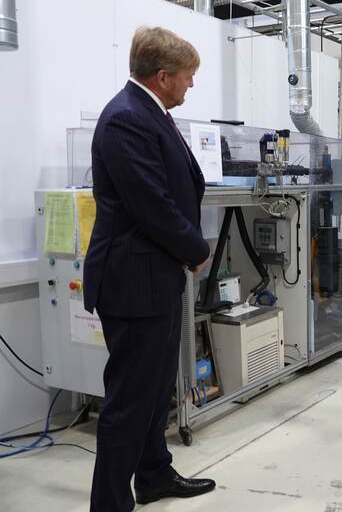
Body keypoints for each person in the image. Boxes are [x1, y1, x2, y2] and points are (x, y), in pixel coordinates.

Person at [83, 26, 216, 511]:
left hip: (154, 277)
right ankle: (111, 504)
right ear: (162, 77)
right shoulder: (126, 119)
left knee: (156, 392)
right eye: (188, 76)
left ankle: (154, 475)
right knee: (129, 403)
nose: (191, 85)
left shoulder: (149, 112)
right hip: (133, 284)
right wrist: (197, 249)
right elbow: (151, 204)